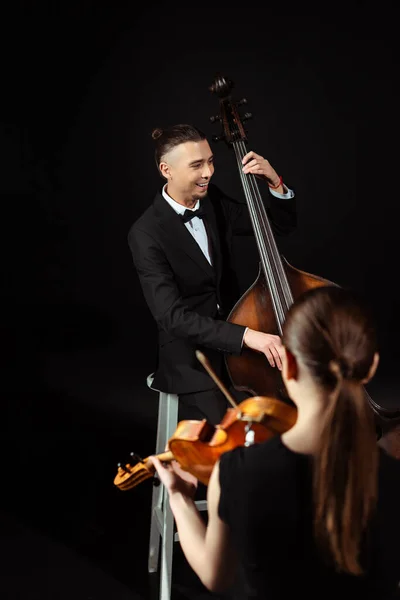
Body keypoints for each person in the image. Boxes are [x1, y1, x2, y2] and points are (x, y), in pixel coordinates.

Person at [150, 285, 400, 599]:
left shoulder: (234, 474)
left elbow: (215, 575)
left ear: (289, 365)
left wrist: (179, 498)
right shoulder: (393, 475)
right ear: (370, 366)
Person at [128, 124, 296, 425]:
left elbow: (277, 226)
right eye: (197, 165)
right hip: (193, 358)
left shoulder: (213, 200)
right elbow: (172, 318)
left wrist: (274, 181)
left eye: (210, 161)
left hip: (240, 345)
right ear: (167, 170)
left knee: (286, 415)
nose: (208, 172)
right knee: (234, 432)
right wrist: (248, 336)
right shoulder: (145, 234)